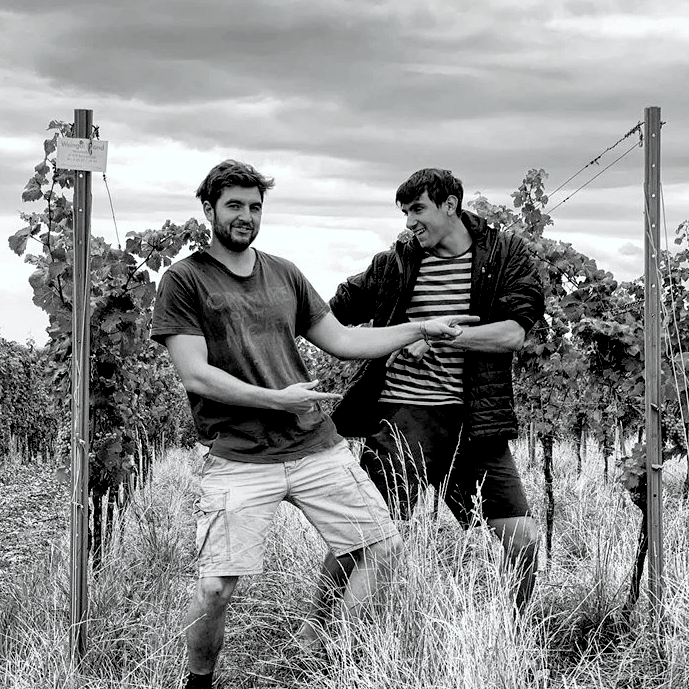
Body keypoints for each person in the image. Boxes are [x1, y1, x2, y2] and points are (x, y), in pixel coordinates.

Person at [150, 160, 474, 689]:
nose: (246, 217)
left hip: (313, 446)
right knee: (215, 589)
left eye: (255, 207)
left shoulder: (285, 273)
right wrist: (278, 400)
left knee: (382, 547)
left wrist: (419, 327)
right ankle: (199, 681)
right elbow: (196, 375)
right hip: (238, 454)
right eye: (234, 205)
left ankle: (326, 655)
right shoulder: (185, 280)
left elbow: (343, 340)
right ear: (209, 209)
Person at [316, 167, 545, 618]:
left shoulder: (503, 254)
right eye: (404, 212)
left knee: (522, 537)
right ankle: (318, 627)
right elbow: (331, 314)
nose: (408, 222)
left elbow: (513, 334)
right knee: (364, 535)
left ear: (450, 205)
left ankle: (509, 632)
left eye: (417, 209)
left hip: (476, 420)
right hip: (405, 419)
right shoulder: (395, 263)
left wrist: (440, 336)